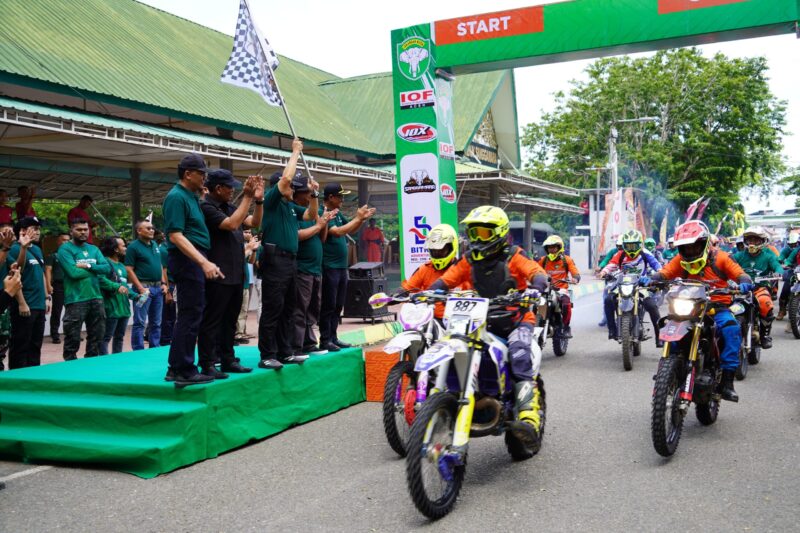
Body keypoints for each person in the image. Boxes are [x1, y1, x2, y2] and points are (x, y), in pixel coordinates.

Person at [429, 206, 548, 447]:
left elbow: (536, 272)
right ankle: (448, 398)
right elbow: (447, 279)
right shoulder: (469, 259)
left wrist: (537, 285)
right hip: (480, 320)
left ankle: (529, 416)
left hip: (516, 322)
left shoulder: (514, 255)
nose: (477, 240)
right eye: (473, 234)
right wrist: (432, 290)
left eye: (483, 233)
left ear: (499, 233)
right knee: (451, 346)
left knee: (519, 355)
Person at [648, 220, 752, 402]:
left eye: (694, 246)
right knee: (670, 329)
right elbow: (665, 272)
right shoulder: (679, 260)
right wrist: (652, 279)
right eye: (685, 248)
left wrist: (744, 282)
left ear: (704, 244)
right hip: (688, 307)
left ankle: (727, 381)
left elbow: (739, 273)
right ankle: (667, 371)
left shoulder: (721, 258)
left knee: (731, 329)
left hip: (716, 307)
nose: (690, 251)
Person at [257, 139, 320, 369]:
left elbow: (311, 216)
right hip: (275, 260)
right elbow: (285, 180)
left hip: (291, 262)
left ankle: (286, 352)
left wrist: (314, 195)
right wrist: (295, 152)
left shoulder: (291, 206)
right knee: (273, 308)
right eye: (292, 187)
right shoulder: (273, 201)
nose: (293, 189)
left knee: (288, 308)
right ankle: (267, 354)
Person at [163, 153, 223, 387]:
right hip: (187, 258)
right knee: (190, 313)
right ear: (188, 174)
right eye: (202, 174)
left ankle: (177, 366)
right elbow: (175, 235)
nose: (205, 179)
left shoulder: (189, 197)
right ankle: (183, 369)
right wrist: (203, 261)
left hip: (192, 258)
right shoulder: (176, 197)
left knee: (192, 312)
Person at [197, 169, 264, 377]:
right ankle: (208, 362)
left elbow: (254, 223)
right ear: (218, 188)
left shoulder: (229, 206)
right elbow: (232, 223)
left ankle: (228, 359)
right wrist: (247, 196)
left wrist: (258, 201)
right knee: (212, 320)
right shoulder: (206, 207)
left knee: (230, 320)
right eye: (230, 188)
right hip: (218, 273)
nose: (232, 191)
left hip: (236, 273)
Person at [318, 182, 375, 353]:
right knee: (328, 304)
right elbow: (337, 231)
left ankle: (334, 337)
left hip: (341, 267)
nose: (343, 199)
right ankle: (325, 339)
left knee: (338, 304)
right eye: (340, 196)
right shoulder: (323, 213)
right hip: (329, 266)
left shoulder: (337, 213)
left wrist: (361, 219)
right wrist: (358, 218)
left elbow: (349, 229)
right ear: (331, 197)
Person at [291, 175, 337, 356]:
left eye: (312, 193)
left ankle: (309, 342)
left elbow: (322, 238)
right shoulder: (295, 211)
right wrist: (319, 225)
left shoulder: (312, 211)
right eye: (307, 193)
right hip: (302, 268)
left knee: (313, 308)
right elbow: (298, 235)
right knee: (300, 308)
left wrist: (323, 222)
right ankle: (296, 345)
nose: (310, 196)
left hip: (315, 269)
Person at [599, 229, 663, 346]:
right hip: (622, 283)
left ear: (640, 244)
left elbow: (657, 265)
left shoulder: (645, 253)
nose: (631, 248)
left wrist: (658, 274)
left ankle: (659, 336)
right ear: (624, 245)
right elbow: (611, 265)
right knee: (608, 300)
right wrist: (604, 272)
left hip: (641, 284)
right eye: (628, 245)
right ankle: (612, 330)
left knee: (652, 305)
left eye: (634, 245)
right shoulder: (620, 254)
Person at [58, 219, 111, 360]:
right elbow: (73, 273)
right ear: (71, 231)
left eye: (85, 229)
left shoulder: (94, 249)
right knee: (72, 338)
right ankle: (70, 368)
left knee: (97, 336)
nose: (83, 232)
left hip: (96, 297)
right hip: (76, 299)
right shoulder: (65, 249)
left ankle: (91, 367)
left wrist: (88, 267)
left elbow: (107, 268)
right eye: (79, 229)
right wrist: (96, 270)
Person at [5, 217, 48, 368]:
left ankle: (33, 378)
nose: (38, 232)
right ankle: (18, 378)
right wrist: (22, 303)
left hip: (39, 304)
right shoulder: (13, 248)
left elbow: (42, 274)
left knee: (35, 345)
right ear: (22, 231)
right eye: (34, 228)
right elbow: (16, 274)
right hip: (25, 304)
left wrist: (47, 297)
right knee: (21, 344)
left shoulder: (36, 249)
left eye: (38, 229)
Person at [731, 226, 781, 349]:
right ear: (745, 241)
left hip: (760, 288)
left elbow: (777, 267)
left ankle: (765, 335)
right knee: (726, 306)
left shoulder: (768, 256)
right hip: (740, 289)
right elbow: (728, 265)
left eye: (756, 240)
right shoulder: (739, 255)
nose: (752, 243)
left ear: (763, 241)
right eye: (749, 240)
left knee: (765, 303)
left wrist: (778, 273)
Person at [395, 224, 459, 319]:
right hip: (427, 319)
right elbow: (408, 288)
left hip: (454, 321)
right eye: (434, 250)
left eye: (441, 250)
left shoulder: (462, 269)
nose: (437, 253)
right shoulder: (425, 268)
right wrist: (393, 297)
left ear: (452, 247)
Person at [125, 220, 167, 351]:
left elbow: (159, 265)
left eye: (152, 228)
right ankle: (138, 350)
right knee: (140, 322)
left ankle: (155, 347)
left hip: (157, 288)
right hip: (143, 289)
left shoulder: (154, 244)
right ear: (139, 231)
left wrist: (163, 283)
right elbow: (129, 269)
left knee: (157, 322)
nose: (152, 230)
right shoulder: (133, 247)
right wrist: (140, 288)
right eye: (148, 228)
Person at [538, 235, 581, 338]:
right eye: (549, 247)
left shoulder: (567, 260)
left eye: (553, 247)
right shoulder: (543, 260)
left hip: (561, 289)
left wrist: (575, 278)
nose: (551, 250)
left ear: (559, 248)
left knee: (566, 304)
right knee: (535, 304)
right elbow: (535, 271)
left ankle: (566, 327)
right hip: (546, 289)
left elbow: (575, 273)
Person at [98, 236, 131, 355]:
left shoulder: (122, 266)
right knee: (105, 338)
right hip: (111, 307)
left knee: (119, 337)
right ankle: (105, 363)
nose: (126, 248)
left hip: (124, 308)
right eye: (123, 245)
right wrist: (116, 287)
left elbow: (125, 287)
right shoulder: (105, 263)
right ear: (116, 249)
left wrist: (137, 295)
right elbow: (100, 280)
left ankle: (118, 361)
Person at [44, 232, 70, 343]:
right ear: (58, 241)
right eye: (63, 240)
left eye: (68, 240)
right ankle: (55, 334)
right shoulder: (53, 256)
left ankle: (71, 333)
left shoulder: (71, 255)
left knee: (72, 310)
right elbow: (48, 270)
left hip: (70, 285)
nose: (66, 242)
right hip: (58, 285)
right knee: (57, 310)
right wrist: (49, 284)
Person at [235, 228, 259, 344]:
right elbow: (237, 259)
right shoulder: (238, 245)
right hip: (237, 281)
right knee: (236, 310)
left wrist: (253, 250)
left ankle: (240, 333)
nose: (248, 234)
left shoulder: (249, 246)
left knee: (244, 310)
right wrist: (248, 247)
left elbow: (251, 262)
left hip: (246, 281)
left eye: (250, 232)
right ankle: (235, 334)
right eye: (245, 232)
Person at [595, 236, 623, 328]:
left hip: (625, 279)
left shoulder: (629, 253)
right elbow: (607, 261)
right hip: (612, 278)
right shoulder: (613, 252)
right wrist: (601, 268)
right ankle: (606, 318)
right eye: (618, 246)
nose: (620, 248)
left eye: (621, 246)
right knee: (606, 297)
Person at [155, 230, 176, 345]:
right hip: (170, 285)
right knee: (167, 315)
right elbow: (164, 270)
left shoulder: (172, 247)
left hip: (175, 284)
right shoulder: (163, 249)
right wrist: (167, 290)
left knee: (173, 315)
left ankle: (171, 338)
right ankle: (165, 340)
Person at [776, 232, 799, 320]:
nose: (793, 246)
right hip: (793, 270)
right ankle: (782, 310)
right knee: (786, 287)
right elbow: (783, 258)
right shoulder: (787, 250)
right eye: (791, 244)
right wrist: (781, 262)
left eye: (795, 244)